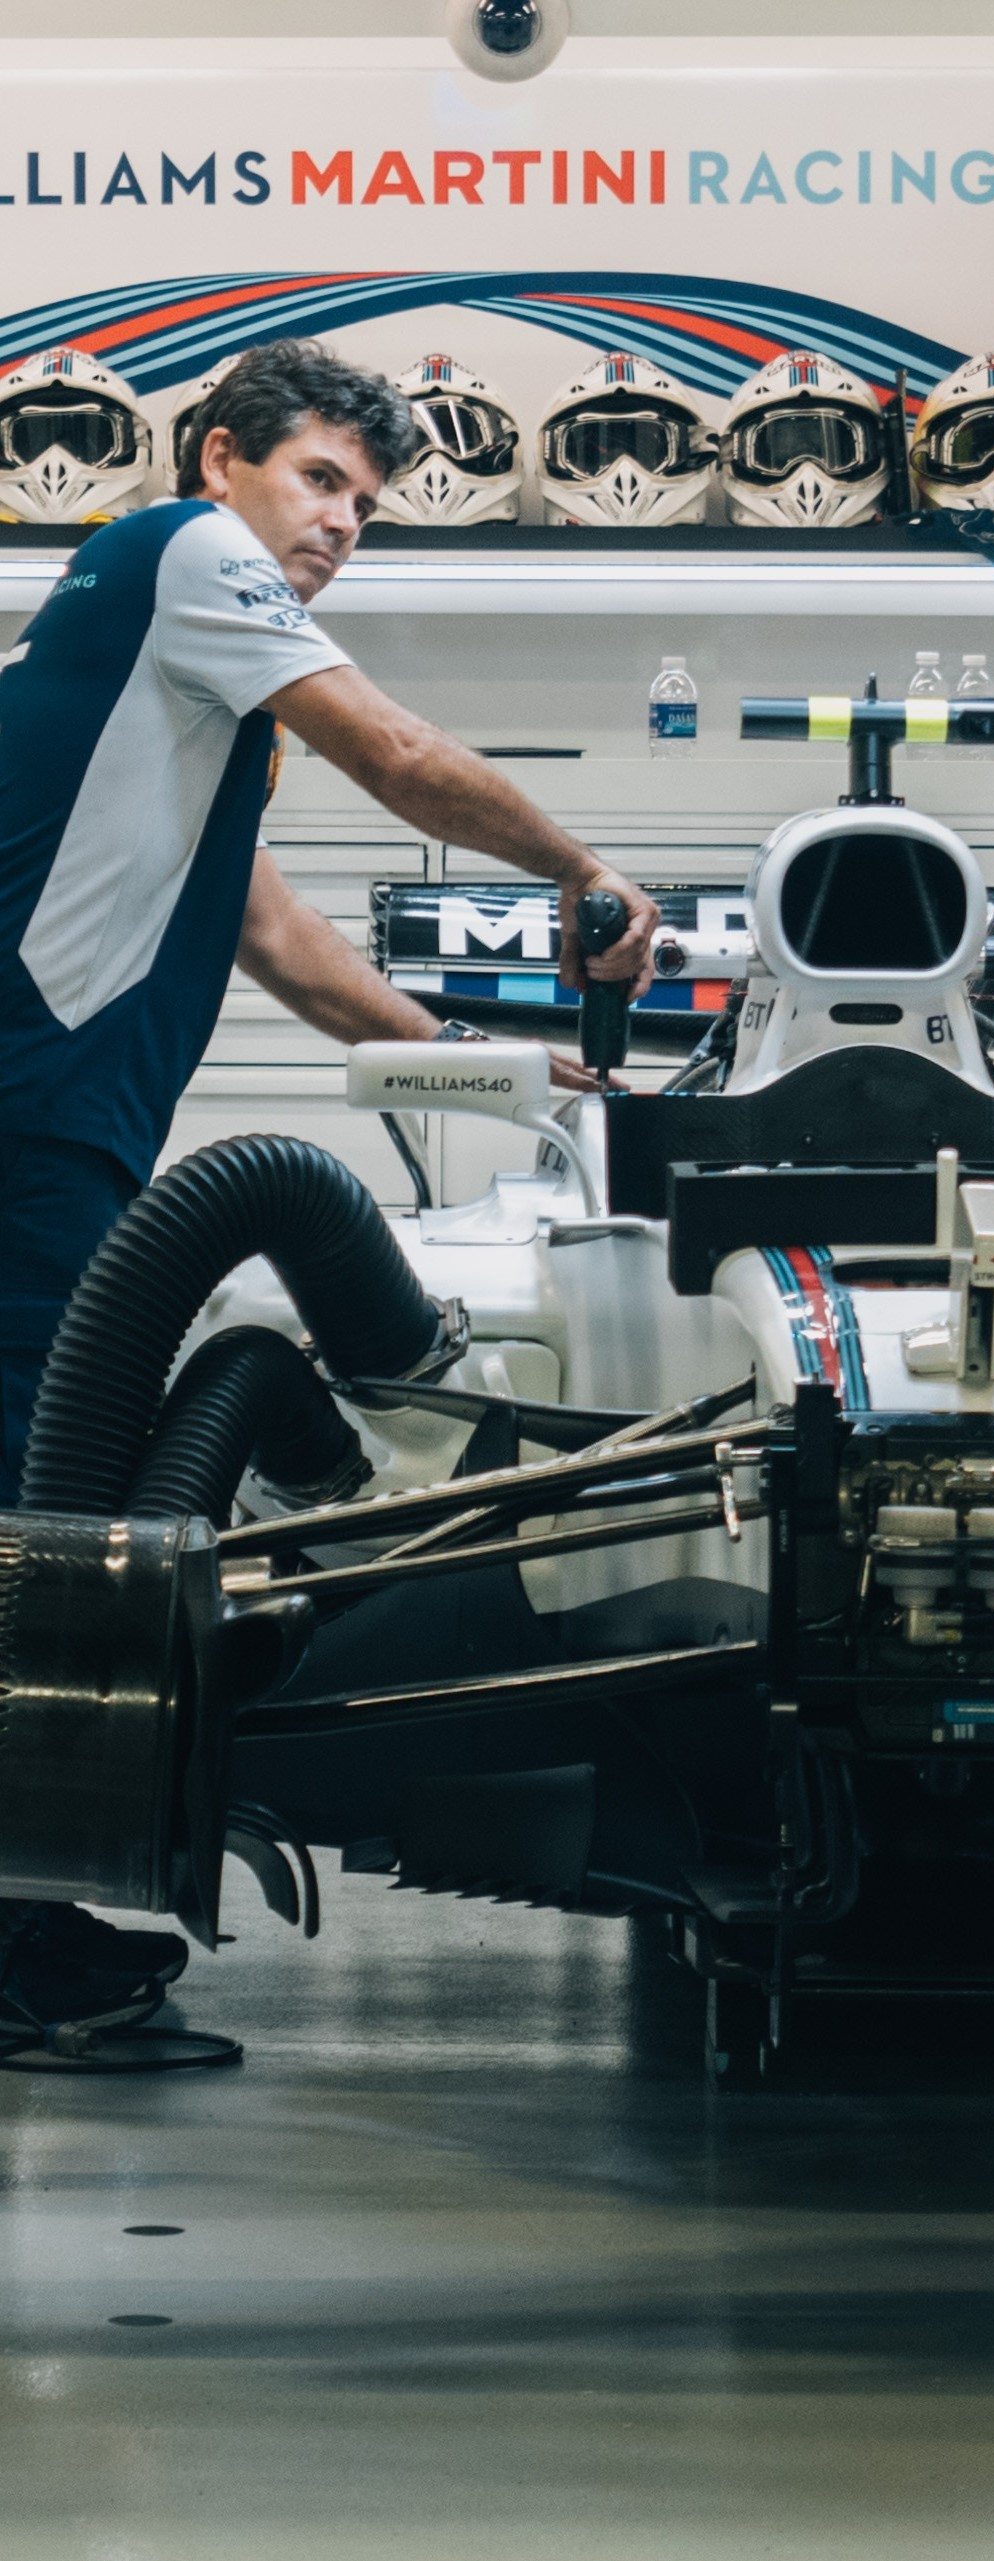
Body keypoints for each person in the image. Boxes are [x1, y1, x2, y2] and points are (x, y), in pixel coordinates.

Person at [0, 336, 658, 2029]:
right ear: (221, 457)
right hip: (23, 1107)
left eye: (366, 507)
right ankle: (8, 1940)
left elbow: (278, 937)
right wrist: (580, 863)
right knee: (35, 1514)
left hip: (59, 1117)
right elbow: (398, 749)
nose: (342, 525)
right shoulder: (181, 553)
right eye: (319, 481)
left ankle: (27, 1902)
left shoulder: (188, 689)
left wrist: (498, 1066)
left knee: (57, 1505)